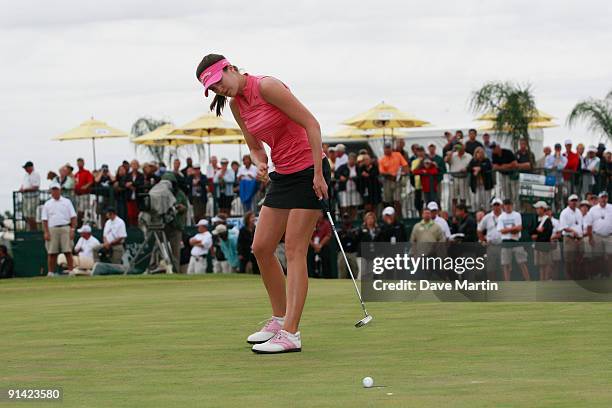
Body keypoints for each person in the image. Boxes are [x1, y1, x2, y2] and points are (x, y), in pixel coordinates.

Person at [196, 53, 330, 353]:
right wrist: (260, 162)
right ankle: (279, 318)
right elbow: (255, 147)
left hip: (310, 170)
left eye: (219, 81)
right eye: (213, 88)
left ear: (230, 68)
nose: (219, 89)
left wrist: (320, 174)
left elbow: (312, 124)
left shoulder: (267, 86)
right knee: (261, 247)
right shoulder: (235, 105)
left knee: (295, 248)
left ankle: (291, 333)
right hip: (282, 174)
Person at [41, 182, 77, 276]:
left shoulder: (67, 202)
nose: (55, 191)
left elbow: (73, 217)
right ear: (51, 191)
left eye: (56, 189)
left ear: (60, 190)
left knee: (68, 251)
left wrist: (72, 230)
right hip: (52, 229)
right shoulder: (47, 204)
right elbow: (44, 220)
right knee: (52, 252)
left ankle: (71, 271)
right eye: (53, 190)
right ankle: (51, 272)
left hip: (65, 227)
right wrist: (46, 232)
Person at [497, 198, 530, 281]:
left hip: (516, 241)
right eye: (506, 205)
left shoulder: (517, 215)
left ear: (512, 205)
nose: (508, 206)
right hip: (505, 241)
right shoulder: (501, 217)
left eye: (509, 204)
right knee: (506, 264)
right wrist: (512, 229)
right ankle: (507, 282)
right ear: (503, 206)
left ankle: (528, 280)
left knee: (522, 262)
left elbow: (519, 228)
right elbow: (502, 231)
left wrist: (507, 229)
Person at [162, 173, 188, 271]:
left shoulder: (180, 193)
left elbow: (186, 207)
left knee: (175, 252)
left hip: (176, 226)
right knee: (158, 249)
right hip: (162, 225)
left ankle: (175, 271)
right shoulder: (160, 193)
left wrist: (181, 208)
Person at [583, 191, 612, 278]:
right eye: (602, 197)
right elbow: (589, 225)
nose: (604, 199)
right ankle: (599, 273)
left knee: (610, 256)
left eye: (605, 197)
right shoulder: (593, 209)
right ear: (599, 199)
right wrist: (591, 237)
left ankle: (608, 274)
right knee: (598, 257)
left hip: (609, 236)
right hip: (597, 235)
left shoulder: (611, 207)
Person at [378, 141, 408, 214]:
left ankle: (399, 216)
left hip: (397, 180)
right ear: (384, 149)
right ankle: (390, 215)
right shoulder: (382, 159)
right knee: (388, 200)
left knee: (397, 200)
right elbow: (381, 171)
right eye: (386, 148)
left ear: (391, 148)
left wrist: (404, 172)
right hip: (387, 181)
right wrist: (391, 174)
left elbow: (405, 165)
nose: (387, 150)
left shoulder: (398, 155)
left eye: (388, 148)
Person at [477, 198, 504, 280]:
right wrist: (482, 241)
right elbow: (479, 229)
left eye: (498, 205)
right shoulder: (487, 217)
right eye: (494, 205)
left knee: (504, 266)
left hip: (502, 245)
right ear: (492, 206)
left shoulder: (505, 216)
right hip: (491, 245)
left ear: (501, 206)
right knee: (491, 267)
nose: (496, 207)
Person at [559, 194, 583, 280]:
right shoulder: (564, 212)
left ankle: (577, 277)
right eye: (572, 201)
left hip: (579, 239)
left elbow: (580, 225)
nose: (574, 202)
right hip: (569, 238)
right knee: (569, 260)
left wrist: (580, 234)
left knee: (578, 259)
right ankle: (569, 278)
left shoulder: (579, 212)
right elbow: (563, 227)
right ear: (568, 202)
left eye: (575, 201)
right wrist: (573, 231)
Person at [530, 201, 554, 281]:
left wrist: (538, 235)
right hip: (538, 245)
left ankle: (546, 281)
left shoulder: (547, 220)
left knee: (546, 265)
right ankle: (542, 281)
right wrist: (536, 233)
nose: (536, 210)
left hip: (545, 246)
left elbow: (548, 233)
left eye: (538, 208)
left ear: (542, 209)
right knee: (541, 265)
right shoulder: (536, 219)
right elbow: (532, 231)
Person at [336, 152, 362, 220]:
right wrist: (341, 177)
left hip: (354, 189)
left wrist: (355, 178)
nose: (352, 161)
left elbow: (360, 176)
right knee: (344, 205)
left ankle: (353, 219)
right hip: (344, 189)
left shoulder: (358, 168)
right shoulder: (343, 167)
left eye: (353, 160)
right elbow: (337, 174)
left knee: (353, 205)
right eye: (351, 159)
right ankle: (344, 220)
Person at [445, 142, 472, 209]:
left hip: (464, 178)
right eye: (458, 145)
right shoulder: (452, 155)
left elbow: (471, 166)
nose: (459, 147)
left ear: (464, 146)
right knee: (454, 198)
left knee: (463, 198)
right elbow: (446, 160)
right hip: (454, 178)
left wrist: (466, 169)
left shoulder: (469, 156)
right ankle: (454, 216)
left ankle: (463, 213)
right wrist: (452, 151)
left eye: (461, 145)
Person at [467, 147, 494, 211]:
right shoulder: (473, 161)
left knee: (486, 200)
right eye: (478, 152)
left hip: (485, 184)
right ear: (475, 154)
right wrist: (474, 169)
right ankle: (476, 212)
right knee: (476, 200)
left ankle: (487, 211)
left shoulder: (486, 160)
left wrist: (480, 169)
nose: (480, 154)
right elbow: (468, 168)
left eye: (481, 152)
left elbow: (488, 167)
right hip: (476, 184)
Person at [308, 213, 332, 278]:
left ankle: (327, 277)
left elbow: (328, 235)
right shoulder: (311, 222)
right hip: (312, 245)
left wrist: (320, 245)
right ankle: (312, 276)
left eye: (320, 213)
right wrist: (313, 245)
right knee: (310, 260)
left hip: (323, 245)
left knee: (325, 261)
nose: (318, 214)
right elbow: (307, 235)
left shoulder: (326, 223)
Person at [336, 213, 360, 279]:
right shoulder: (340, 229)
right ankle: (342, 284)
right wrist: (346, 234)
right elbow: (338, 240)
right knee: (342, 270)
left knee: (355, 270)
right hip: (343, 252)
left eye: (348, 218)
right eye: (345, 218)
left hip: (352, 252)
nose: (346, 220)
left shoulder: (354, 229)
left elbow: (356, 239)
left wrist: (350, 234)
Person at [20, 161, 41, 231]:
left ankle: (34, 230)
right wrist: (21, 188)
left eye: (26, 167)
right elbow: (23, 184)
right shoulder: (26, 175)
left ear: (31, 167)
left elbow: (36, 187)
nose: (25, 169)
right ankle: (30, 229)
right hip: (26, 197)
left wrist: (26, 189)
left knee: (31, 215)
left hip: (33, 198)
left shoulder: (36, 174)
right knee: (26, 215)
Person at [124, 160, 144, 226]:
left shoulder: (141, 175)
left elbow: (141, 183)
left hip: (137, 198)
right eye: (133, 164)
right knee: (130, 215)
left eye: (136, 164)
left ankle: (137, 227)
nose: (134, 166)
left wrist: (132, 183)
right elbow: (123, 183)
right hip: (129, 198)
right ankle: (132, 228)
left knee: (137, 215)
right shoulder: (128, 175)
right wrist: (128, 185)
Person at [74, 158, 94, 226]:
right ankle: (79, 225)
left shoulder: (87, 172)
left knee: (82, 211)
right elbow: (75, 183)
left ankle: (81, 225)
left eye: (81, 162)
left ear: (83, 163)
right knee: (77, 211)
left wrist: (86, 186)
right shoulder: (76, 174)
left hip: (84, 195)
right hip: (77, 195)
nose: (79, 164)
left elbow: (91, 181)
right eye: (78, 162)